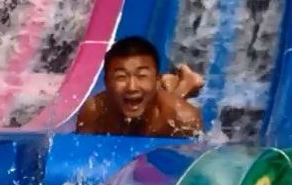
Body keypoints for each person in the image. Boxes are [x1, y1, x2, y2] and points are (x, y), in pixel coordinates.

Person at [75, 36, 204, 138]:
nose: (131, 87)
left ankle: (187, 84)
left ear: (156, 80)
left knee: (169, 106)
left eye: (142, 76)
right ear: (106, 82)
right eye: (121, 76)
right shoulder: (94, 112)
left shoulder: (184, 119)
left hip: (165, 106)